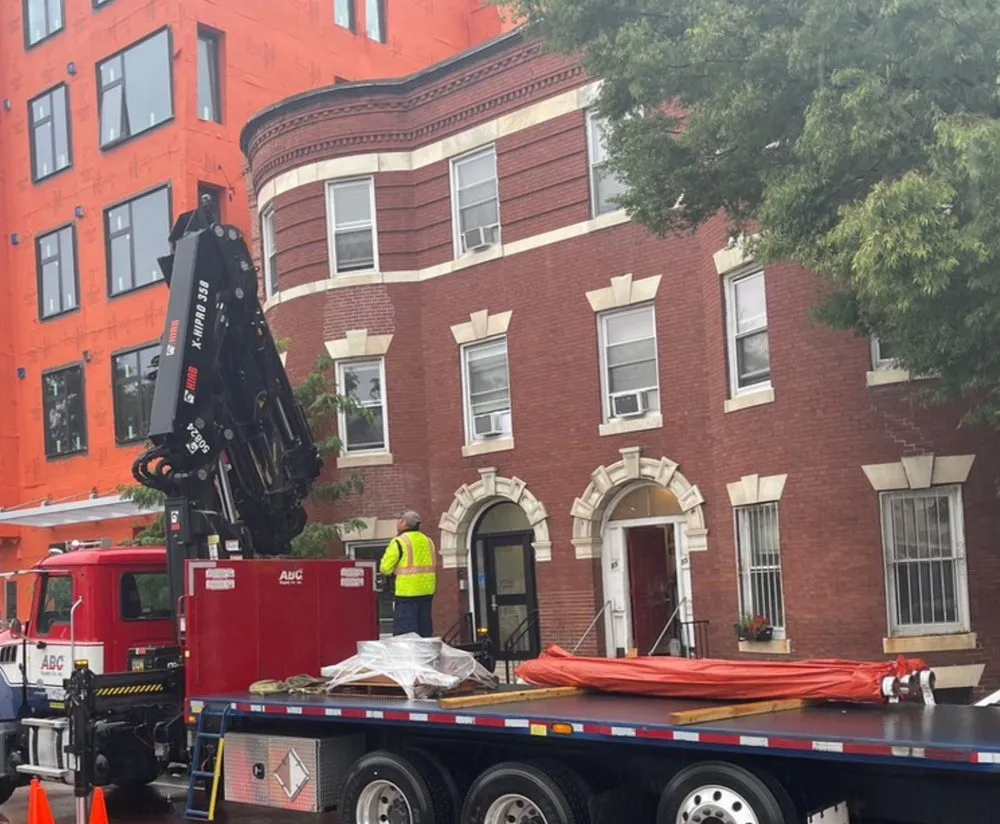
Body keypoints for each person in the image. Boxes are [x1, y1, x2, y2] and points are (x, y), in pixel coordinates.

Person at [379, 510, 437, 637]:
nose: (397, 523)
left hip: (407, 594)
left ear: (404, 523)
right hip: (427, 593)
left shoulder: (399, 541)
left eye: (398, 521)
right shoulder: (428, 541)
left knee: (405, 636)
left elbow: (385, 568)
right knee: (424, 633)